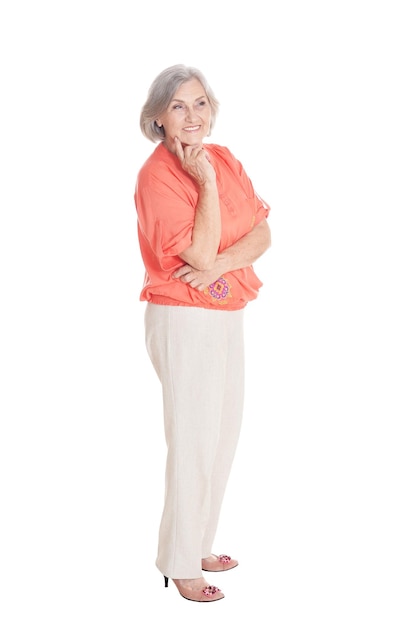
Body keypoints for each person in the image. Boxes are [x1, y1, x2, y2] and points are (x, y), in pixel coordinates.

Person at [134, 64, 271, 602]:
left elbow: (263, 231)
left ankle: (199, 543)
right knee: (192, 438)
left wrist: (220, 264)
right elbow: (194, 251)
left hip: (227, 307)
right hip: (182, 316)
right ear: (158, 119)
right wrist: (206, 185)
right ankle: (179, 562)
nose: (192, 116)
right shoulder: (156, 176)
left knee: (221, 434)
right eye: (178, 107)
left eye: (199, 104)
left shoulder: (227, 157)